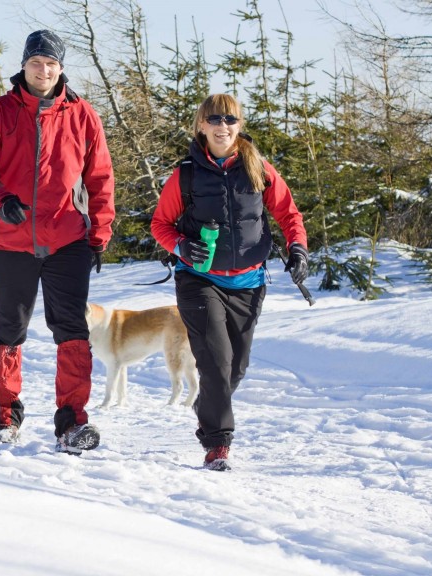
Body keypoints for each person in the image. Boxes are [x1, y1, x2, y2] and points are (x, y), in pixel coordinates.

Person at [0, 30, 116, 453]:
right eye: (36, 63)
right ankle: (7, 416)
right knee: (9, 329)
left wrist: (100, 231)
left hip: (68, 241)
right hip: (11, 241)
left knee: (72, 330)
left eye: (51, 63)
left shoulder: (82, 115)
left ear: (61, 68)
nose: (43, 70)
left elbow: (100, 177)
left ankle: (72, 422)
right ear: (24, 65)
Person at [151, 93, 309, 470]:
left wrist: (298, 249)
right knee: (217, 363)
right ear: (201, 126)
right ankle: (217, 443)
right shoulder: (186, 174)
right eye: (215, 120)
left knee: (236, 367)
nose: (223, 127)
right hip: (199, 280)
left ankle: (209, 408)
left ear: (240, 125)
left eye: (231, 120)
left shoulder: (258, 167)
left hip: (249, 282)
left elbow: (289, 214)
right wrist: (183, 247)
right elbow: (160, 225)